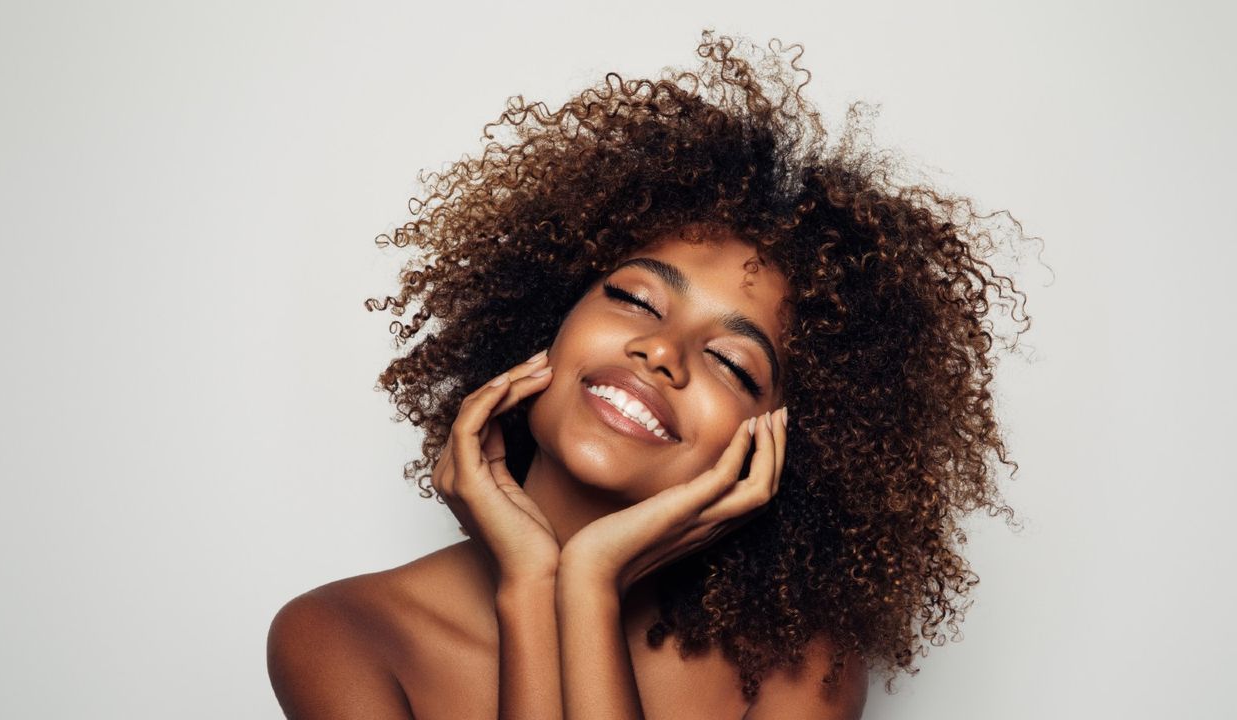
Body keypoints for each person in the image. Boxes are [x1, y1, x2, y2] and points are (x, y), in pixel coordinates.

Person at [267, 30, 1029, 719]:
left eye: (733, 362)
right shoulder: (345, 636)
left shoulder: (799, 673)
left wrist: (586, 587)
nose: (663, 352)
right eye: (635, 299)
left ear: (781, 440)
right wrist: (533, 585)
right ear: (550, 316)